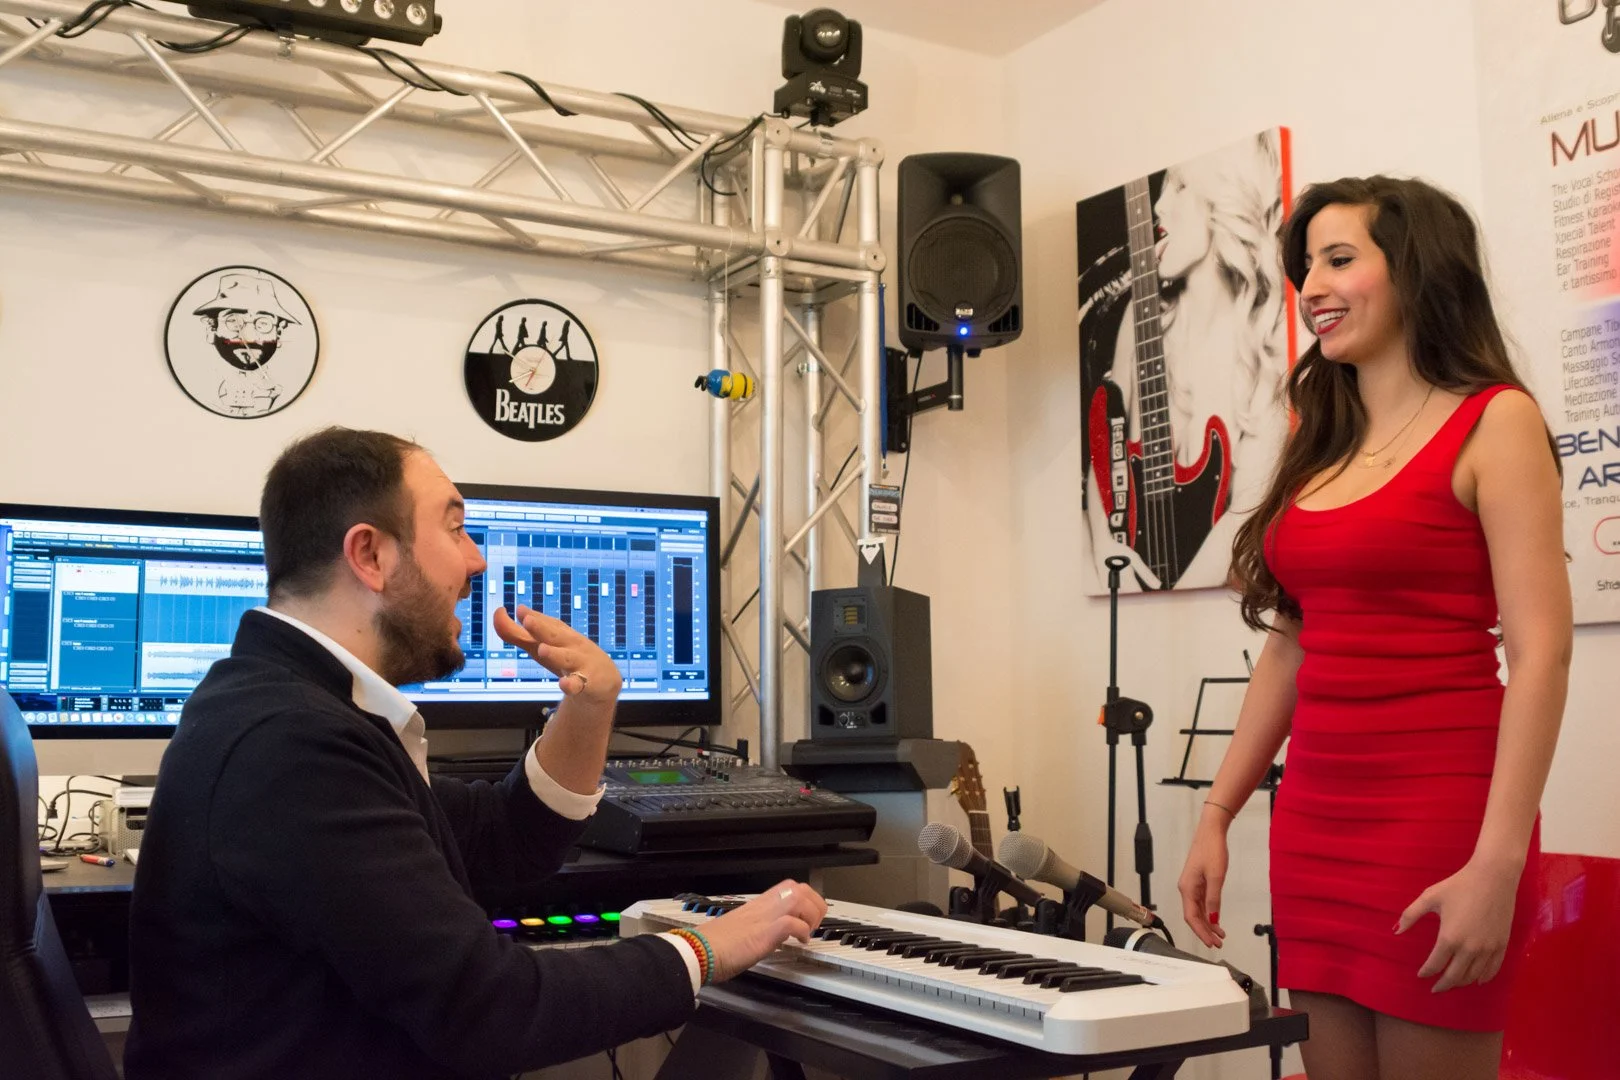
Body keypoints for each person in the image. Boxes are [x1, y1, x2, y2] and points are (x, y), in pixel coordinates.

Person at [124, 427, 827, 1080]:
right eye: (455, 528)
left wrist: (590, 706)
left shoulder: (295, 707)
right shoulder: (291, 744)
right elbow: (494, 1009)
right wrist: (708, 946)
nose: (477, 559)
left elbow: (505, 839)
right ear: (370, 555)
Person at [1176, 177, 1570, 1079]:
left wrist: (1499, 865)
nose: (1311, 286)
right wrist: (1217, 813)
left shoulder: (1496, 421)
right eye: (1305, 266)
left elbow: (1542, 653)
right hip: (1316, 827)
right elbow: (1292, 641)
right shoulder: (1322, 433)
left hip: (1443, 820)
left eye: (1339, 259)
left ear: (1416, 270)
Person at [1082, 130, 1290, 591]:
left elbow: (1246, 515)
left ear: (1222, 201)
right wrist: (1106, 553)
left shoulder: (1266, 344)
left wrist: (1172, 598)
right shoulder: (1141, 319)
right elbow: (1105, 452)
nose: (1159, 207)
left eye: (1177, 186)